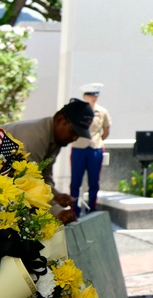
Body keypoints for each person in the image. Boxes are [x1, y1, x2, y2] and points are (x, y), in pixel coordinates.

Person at [2, 98, 95, 224]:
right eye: (73, 131)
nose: (74, 138)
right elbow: (27, 181)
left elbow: (44, 176)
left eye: (78, 135)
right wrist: (57, 211)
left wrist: (55, 195)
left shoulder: (55, 139)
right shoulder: (35, 136)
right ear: (60, 120)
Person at [70, 82, 112, 215]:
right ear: (84, 96)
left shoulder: (102, 111)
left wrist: (99, 141)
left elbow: (106, 130)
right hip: (79, 147)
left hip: (95, 148)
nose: (94, 97)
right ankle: (74, 208)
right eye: (90, 95)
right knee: (76, 181)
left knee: (94, 180)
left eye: (96, 95)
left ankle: (91, 206)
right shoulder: (77, 110)